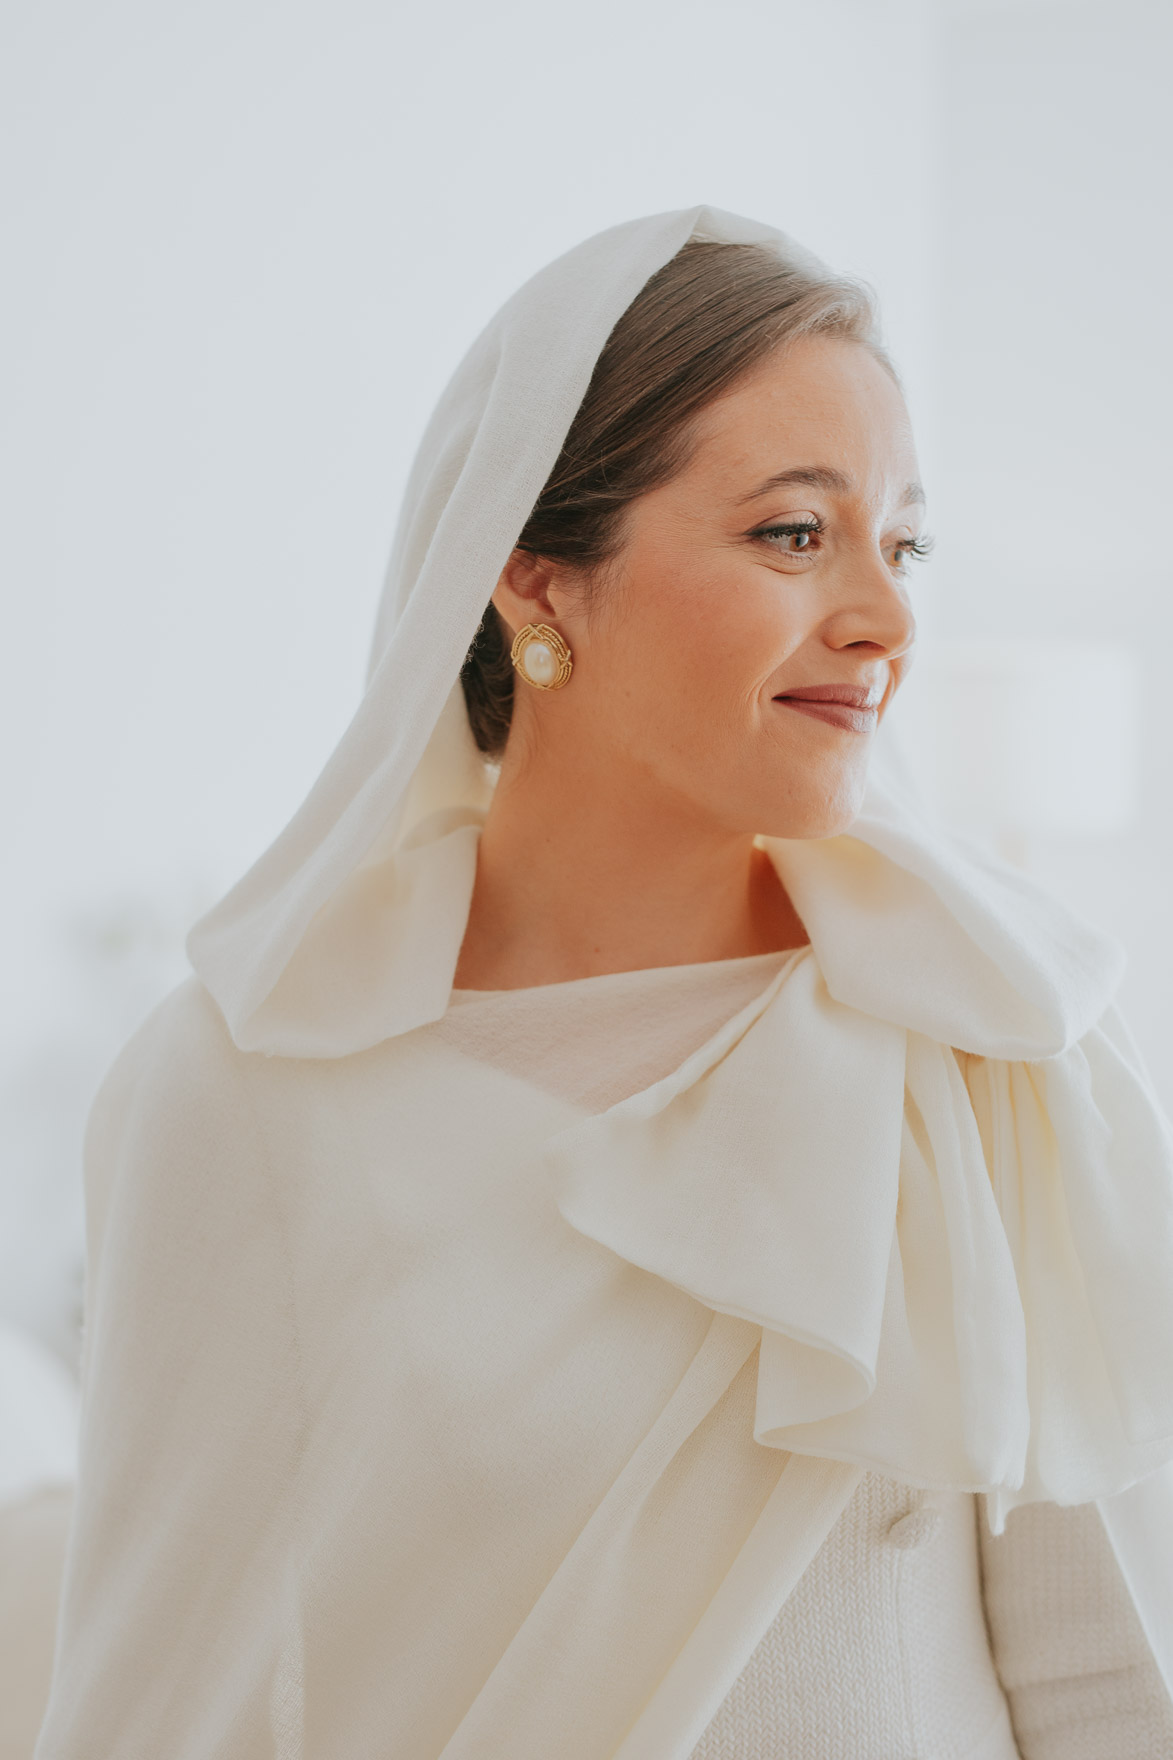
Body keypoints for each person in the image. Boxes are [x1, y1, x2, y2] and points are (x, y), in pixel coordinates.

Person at [33, 207, 1173, 1759]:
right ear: (535, 581)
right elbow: (166, 1692)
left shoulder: (986, 1035)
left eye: (901, 542)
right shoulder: (247, 1084)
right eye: (793, 532)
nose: (888, 618)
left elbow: (1108, 1680)